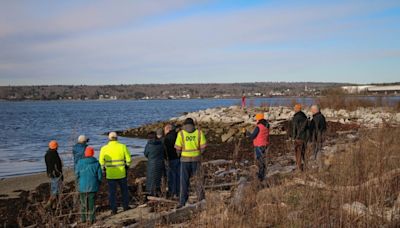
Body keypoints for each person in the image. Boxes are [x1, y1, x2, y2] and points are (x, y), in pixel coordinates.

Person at [175, 118, 207, 208]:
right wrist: (200, 154)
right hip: (196, 160)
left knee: (184, 182)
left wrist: (179, 155)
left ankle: (182, 202)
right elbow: (204, 147)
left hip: (184, 160)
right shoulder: (199, 132)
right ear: (193, 124)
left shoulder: (181, 133)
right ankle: (201, 199)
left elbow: (177, 148)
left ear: (184, 124)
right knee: (198, 180)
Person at [99, 132, 132, 214]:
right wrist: (127, 166)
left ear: (109, 139)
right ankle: (125, 206)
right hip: (122, 173)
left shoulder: (104, 148)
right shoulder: (122, 146)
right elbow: (128, 159)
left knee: (112, 193)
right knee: (124, 191)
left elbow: (101, 162)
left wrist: (104, 169)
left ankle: (114, 209)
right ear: (117, 138)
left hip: (110, 174)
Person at [75, 147, 102, 224]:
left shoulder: (80, 162)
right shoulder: (96, 163)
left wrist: (78, 182)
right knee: (91, 203)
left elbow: (77, 174)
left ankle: (83, 219)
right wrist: (98, 183)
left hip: (82, 186)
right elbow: (100, 176)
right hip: (93, 186)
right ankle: (92, 219)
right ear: (93, 153)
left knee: (83, 203)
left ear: (85, 154)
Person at [243, 113, 270, 181]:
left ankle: (261, 177)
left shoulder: (259, 127)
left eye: (256, 119)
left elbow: (252, 136)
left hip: (259, 145)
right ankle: (262, 176)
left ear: (258, 119)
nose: (256, 120)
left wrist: (246, 133)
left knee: (260, 161)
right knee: (263, 161)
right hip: (265, 145)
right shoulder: (266, 125)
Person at [144, 132, 165, 196]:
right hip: (160, 163)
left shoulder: (149, 144)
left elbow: (146, 154)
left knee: (150, 178)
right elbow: (163, 152)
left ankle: (150, 192)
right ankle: (157, 190)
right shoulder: (161, 144)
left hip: (151, 163)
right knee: (158, 178)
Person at [44, 140, 63, 209]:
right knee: (56, 191)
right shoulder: (54, 154)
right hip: (56, 174)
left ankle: (54, 205)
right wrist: (60, 174)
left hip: (51, 174)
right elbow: (58, 165)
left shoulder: (47, 154)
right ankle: (49, 205)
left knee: (54, 189)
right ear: (55, 147)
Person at [163, 124, 180, 198]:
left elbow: (164, 150)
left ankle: (172, 192)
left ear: (168, 129)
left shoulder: (166, 138)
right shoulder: (178, 135)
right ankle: (178, 191)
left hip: (170, 159)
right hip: (179, 158)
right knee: (178, 176)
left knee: (171, 177)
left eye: (165, 130)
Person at [291, 104, 309, 171]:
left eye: (295, 108)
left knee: (298, 154)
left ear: (297, 109)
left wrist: (293, 137)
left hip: (298, 138)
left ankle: (299, 168)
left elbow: (294, 128)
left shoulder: (296, 117)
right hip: (305, 137)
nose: (294, 109)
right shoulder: (304, 116)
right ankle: (306, 166)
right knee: (303, 152)